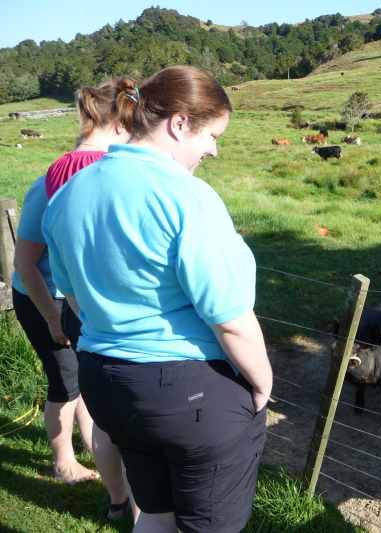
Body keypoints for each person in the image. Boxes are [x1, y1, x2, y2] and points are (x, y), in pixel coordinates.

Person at [42, 66, 272, 533]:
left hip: (106, 384)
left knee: (155, 513)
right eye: (212, 134)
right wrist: (262, 384)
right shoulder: (188, 197)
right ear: (180, 123)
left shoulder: (66, 194)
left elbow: (77, 300)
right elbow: (229, 319)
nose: (214, 149)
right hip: (190, 395)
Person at [12, 78, 134, 520]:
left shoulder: (99, 169)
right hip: (46, 296)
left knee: (86, 379)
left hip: (79, 297)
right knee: (65, 382)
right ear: (118, 123)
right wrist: (51, 318)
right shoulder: (54, 181)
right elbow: (26, 263)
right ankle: (63, 460)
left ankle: (90, 445)